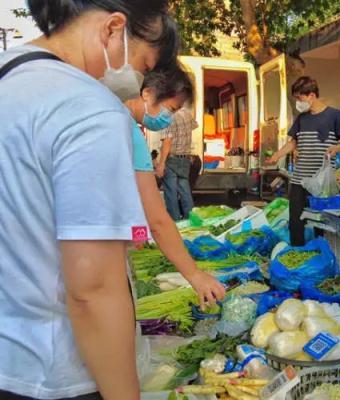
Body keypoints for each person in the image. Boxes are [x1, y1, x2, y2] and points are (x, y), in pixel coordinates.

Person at [0, 1, 178, 399]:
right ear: (113, 29)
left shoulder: (7, 75)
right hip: (50, 374)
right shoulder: (86, 107)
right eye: (144, 66)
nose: (138, 78)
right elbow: (92, 289)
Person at [125, 67, 225, 307]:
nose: (168, 119)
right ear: (147, 94)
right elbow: (157, 219)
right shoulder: (128, 130)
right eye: (171, 109)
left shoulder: (109, 114)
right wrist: (194, 275)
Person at [267, 76, 340, 246]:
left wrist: (335, 149)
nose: (298, 102)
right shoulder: (301, 118)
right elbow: (293, 142)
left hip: (322, 181)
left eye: (300, 98)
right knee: (296, 220)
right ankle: (296, 251)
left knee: (321, 221)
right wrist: (277, 155)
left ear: (311, 95)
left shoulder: (335, 116)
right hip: (300, 179)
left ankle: (320, 252)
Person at [156, 106, 198, 220]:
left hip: (172, 159)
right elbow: (192, 128)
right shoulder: (187, 113)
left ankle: (175, 223)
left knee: (171, 193)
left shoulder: (167, 116)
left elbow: (167, 141)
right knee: (185, 191)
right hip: (185, 158)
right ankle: (191, 220)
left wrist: (161, 163)